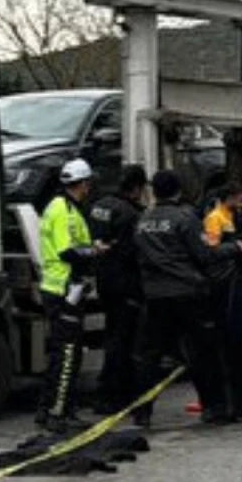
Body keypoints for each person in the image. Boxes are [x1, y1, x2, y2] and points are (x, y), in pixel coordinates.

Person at [132, 170, 242, 426]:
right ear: (178, 191)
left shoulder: (142, 220)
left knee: (149, 356)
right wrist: (234, 248)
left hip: (155, 297)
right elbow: (205, 254)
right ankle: (214, 408)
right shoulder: (185, 218)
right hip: (187, 294)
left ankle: (141, 411)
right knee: (202, 352)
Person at [38, 158, 106, 433]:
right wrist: (95, 251)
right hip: (63, 290)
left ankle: (50, 409)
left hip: (65, 289)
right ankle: (58, 413)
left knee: (64, 352)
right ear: (84, 183)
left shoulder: (66, 208)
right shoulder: (63, 211)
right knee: (67, 354)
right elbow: (68, 251)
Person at [87, 165, 147, 415]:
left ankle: (108, 393)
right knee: (124, 341)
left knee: (113, 335)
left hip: (104, 280)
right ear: (136, 188)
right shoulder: (130, 214)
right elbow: (133, 252)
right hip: (126, 284)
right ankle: (114, 395)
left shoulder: (99, 206)